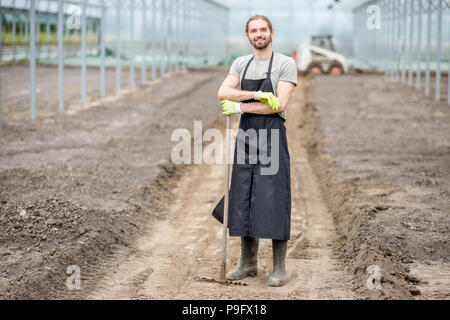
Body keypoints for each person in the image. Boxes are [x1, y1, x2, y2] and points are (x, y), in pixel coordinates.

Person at [211, 15, 298, 287]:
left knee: (273, 197)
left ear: (272, 32)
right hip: (247, 138)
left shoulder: (285, 64)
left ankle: (279, 268)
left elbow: (280, 105)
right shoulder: (241, 63)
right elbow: (222, 91)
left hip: (272, 136)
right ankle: (247, 263)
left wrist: (240, 106)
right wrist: (258, 95)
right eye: (253, 31)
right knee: (244, 194)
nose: (259, 34)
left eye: (263, 30)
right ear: (247, 36)